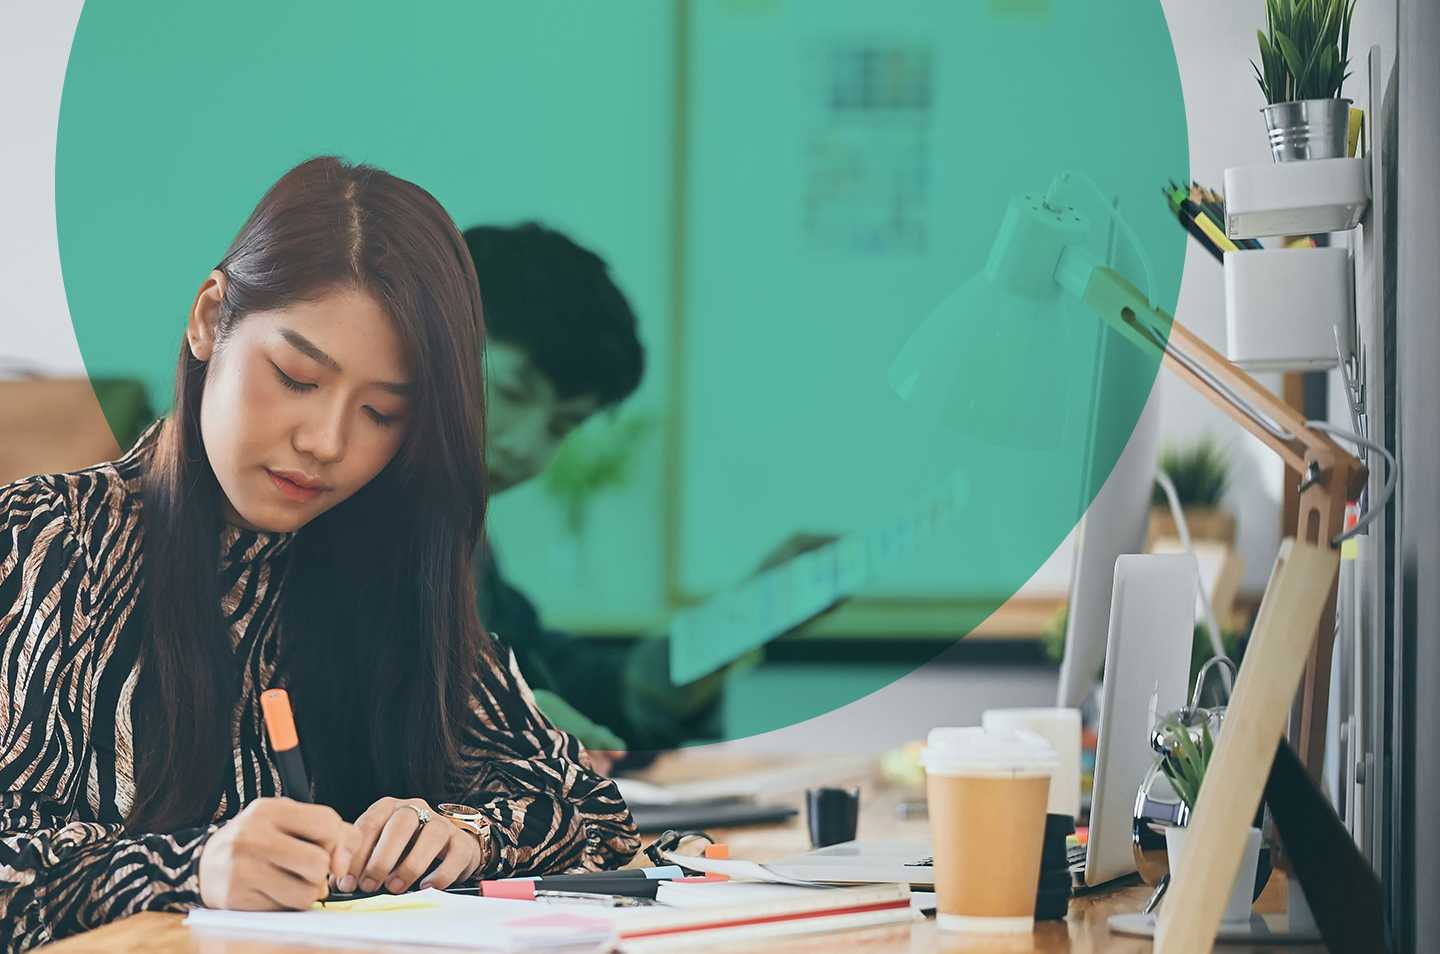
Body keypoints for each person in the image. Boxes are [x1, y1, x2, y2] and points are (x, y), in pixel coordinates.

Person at [0, 159, 637, 950]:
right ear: (208, 320)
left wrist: (463, 832)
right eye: (297, 377)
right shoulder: (45, 543)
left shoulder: (382, 559)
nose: (327, 444)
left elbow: (590, 811)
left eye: (380, 412)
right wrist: (194, 867)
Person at [464, 224, 832, 770]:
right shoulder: (331, 512)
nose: (524, 445)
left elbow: (587, 693)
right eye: (515, 393)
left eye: (563, 426)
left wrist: (746, 616)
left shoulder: (467, 545)